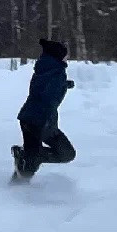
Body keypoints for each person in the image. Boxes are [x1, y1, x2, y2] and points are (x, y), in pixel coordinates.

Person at [11, 38, 76, 182]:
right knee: (63, 155)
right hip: (39, 122)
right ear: (58, 55)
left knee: (35, 159)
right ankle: (16, 194)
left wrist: (64, 85)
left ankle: (25, 157)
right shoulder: (57, 72)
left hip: (33, 119)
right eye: (66, 54)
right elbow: (47, 96)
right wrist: (61, 85)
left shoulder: (45, 68)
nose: (68, 58)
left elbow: (43, 87)